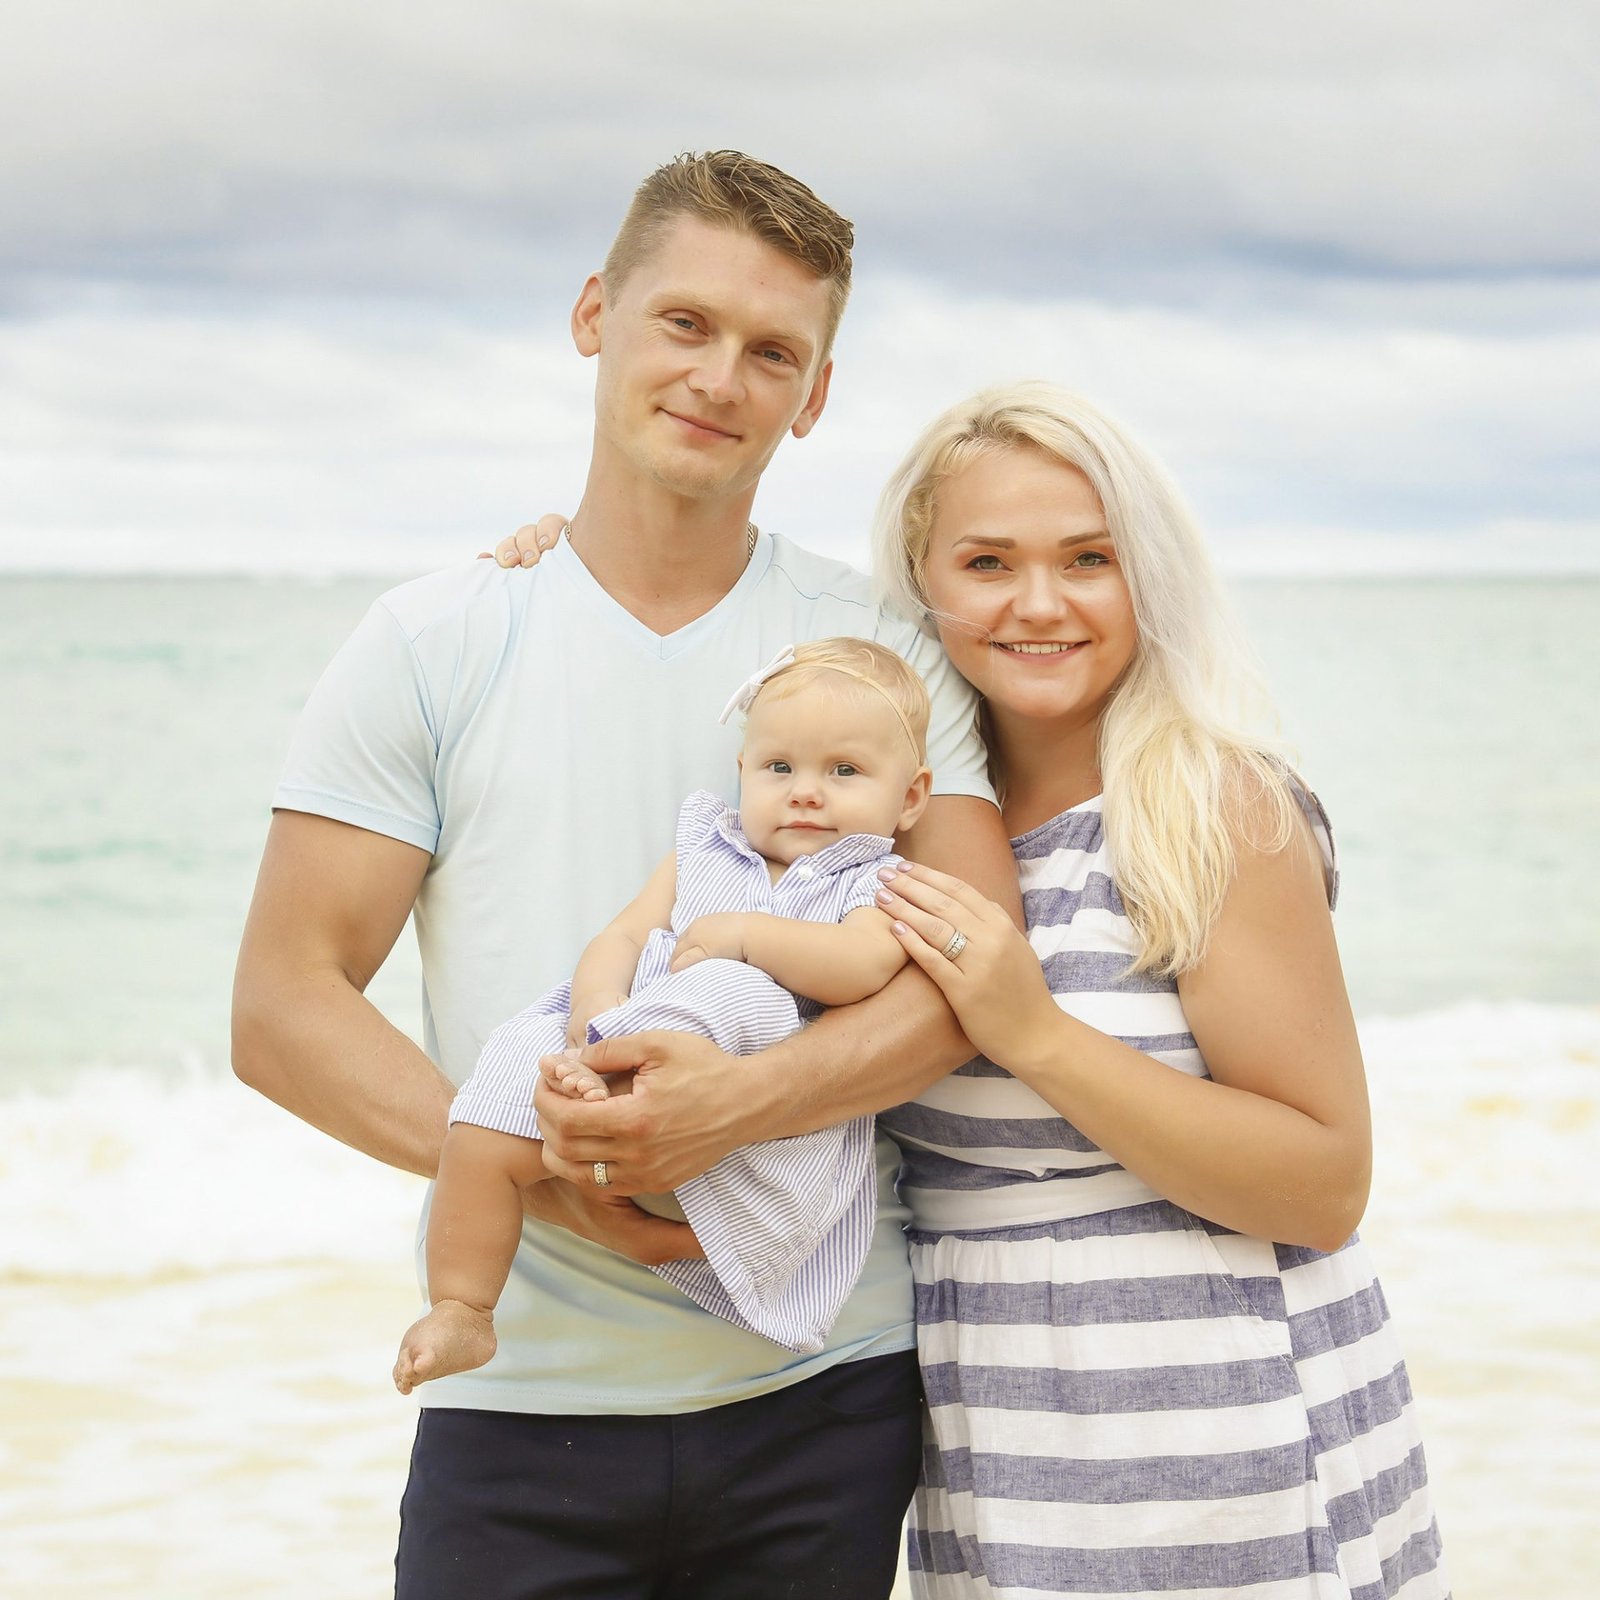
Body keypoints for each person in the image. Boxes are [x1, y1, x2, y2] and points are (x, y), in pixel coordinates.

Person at [502, 380, 1450, 1597]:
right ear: (923, 579)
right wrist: (547, 563)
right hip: (988, 1429)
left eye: (1087, 559)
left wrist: (1033, 1032)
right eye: (988, 561)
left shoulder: (1209, 807)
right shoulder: (865, 825)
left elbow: (1324, 1184)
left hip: (1224, 1428)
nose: (1039, 603)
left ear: (1143, 572)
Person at [233, 150, 1020, 1600]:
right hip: (518, 1402)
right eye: (685, 324)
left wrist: (733, 1108)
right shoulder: (437, 639)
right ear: (596, 313)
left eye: (773, 350)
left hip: (824, 1389)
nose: (722, 377)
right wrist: (557, 1173)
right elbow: (285, 1005)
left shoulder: (881, 657)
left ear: (817, 393)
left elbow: (973, 985)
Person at [394, 637, 935, 1391]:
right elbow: (622, 934)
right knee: (507, 1067)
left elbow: (863, 967)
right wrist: (593, 1009)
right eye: (780, 767)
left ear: (910, 797)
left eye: (844, 771)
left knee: (730, 985)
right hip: (615, 1047)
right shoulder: (704, 850)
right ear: (742, 772)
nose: (806, 791)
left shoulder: (877, 882)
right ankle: (462, 1303)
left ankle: (616, 1081)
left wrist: (747, 939)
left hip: (743, 1109)